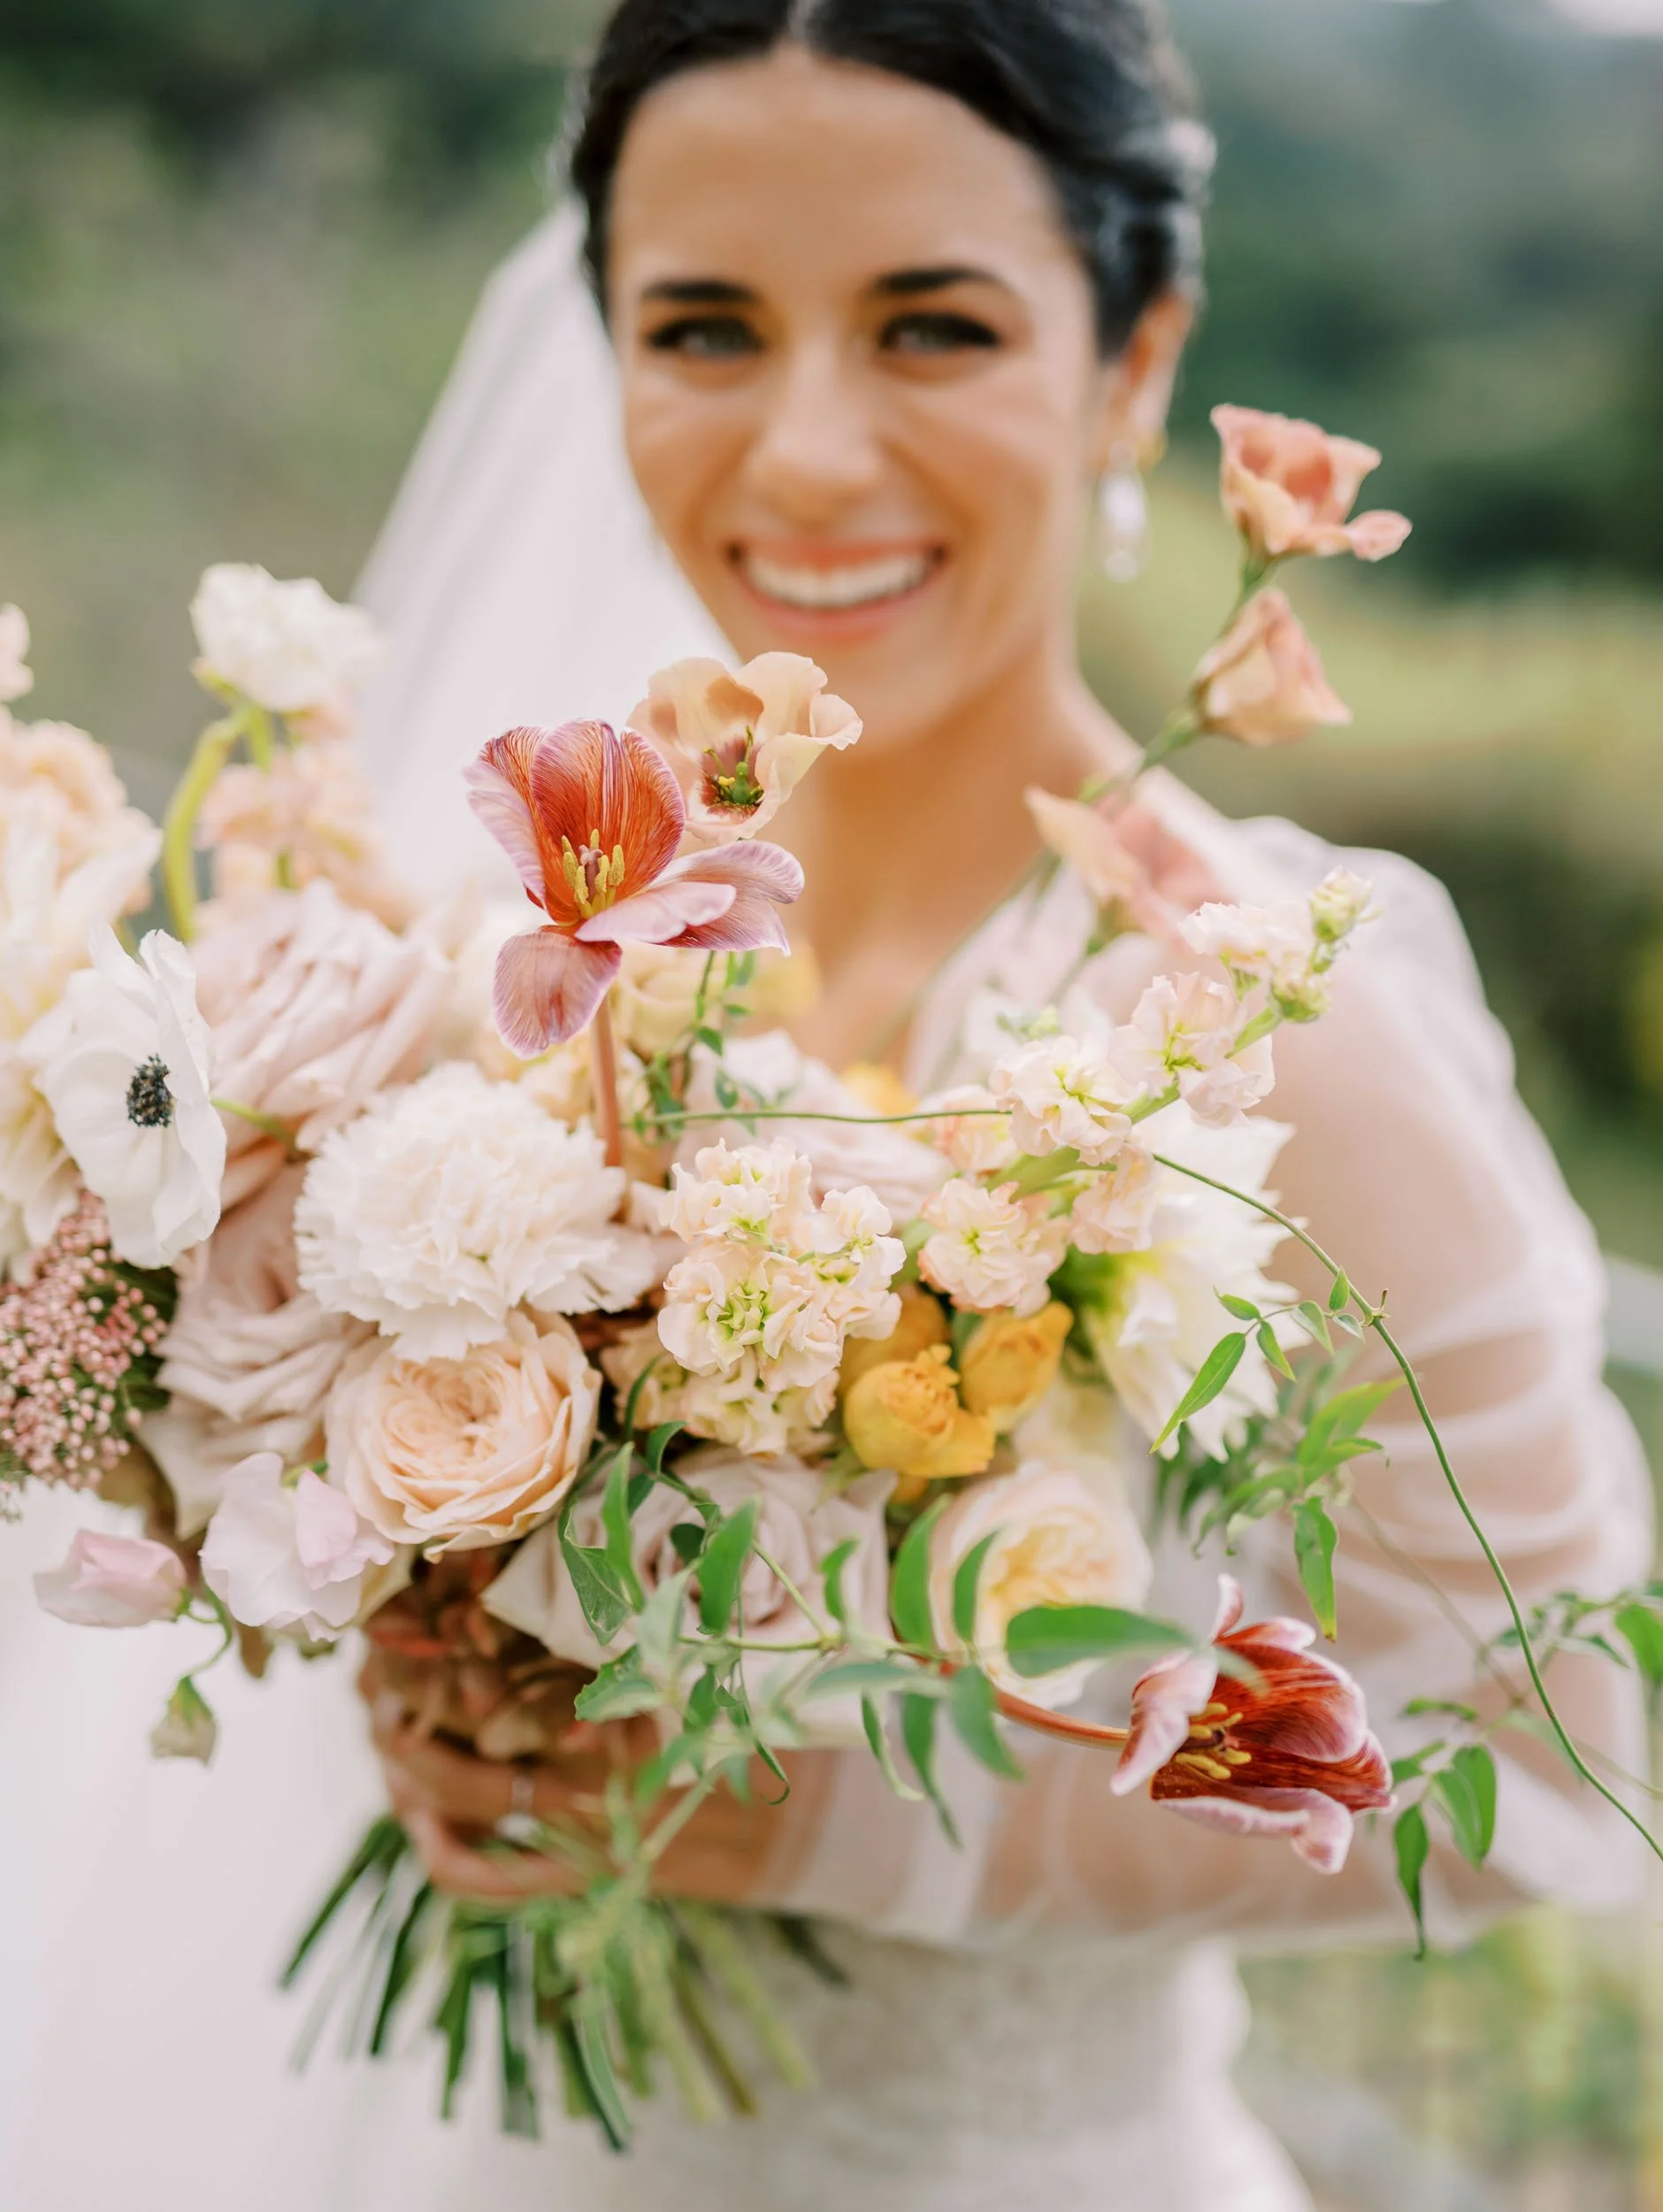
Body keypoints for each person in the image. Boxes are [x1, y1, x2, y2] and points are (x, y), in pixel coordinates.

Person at [0, 4, 1648, 2208]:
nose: (803, 456)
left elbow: (1544, 1766)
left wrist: (861, 1822)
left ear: (1132, 361)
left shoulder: (1268, 1023)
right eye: (702, 327)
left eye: (930, 328)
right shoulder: (505, 957)